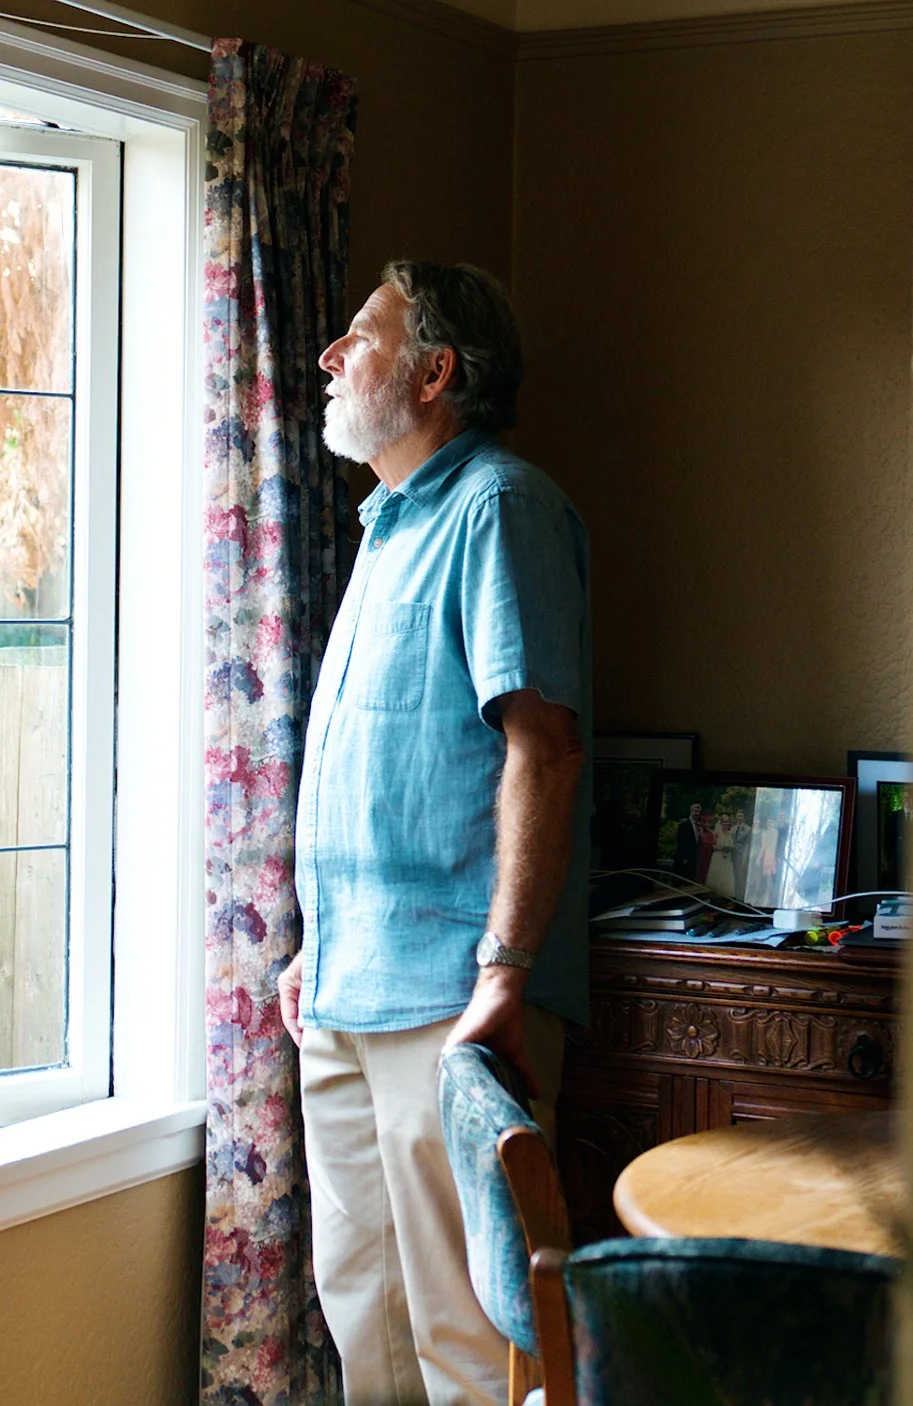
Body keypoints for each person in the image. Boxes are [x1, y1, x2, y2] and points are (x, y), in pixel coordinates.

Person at [277, 261, 591, 1406]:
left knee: (470, 1336)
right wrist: (320, 944)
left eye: (357, 335)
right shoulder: (385, 524)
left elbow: (540, 749)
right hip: (347, 987)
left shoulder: (498, 506)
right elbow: (381, 764)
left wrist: (504, 974)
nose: (327, 356)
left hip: (454, 995)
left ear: (434, 372)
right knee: (368, 1316)